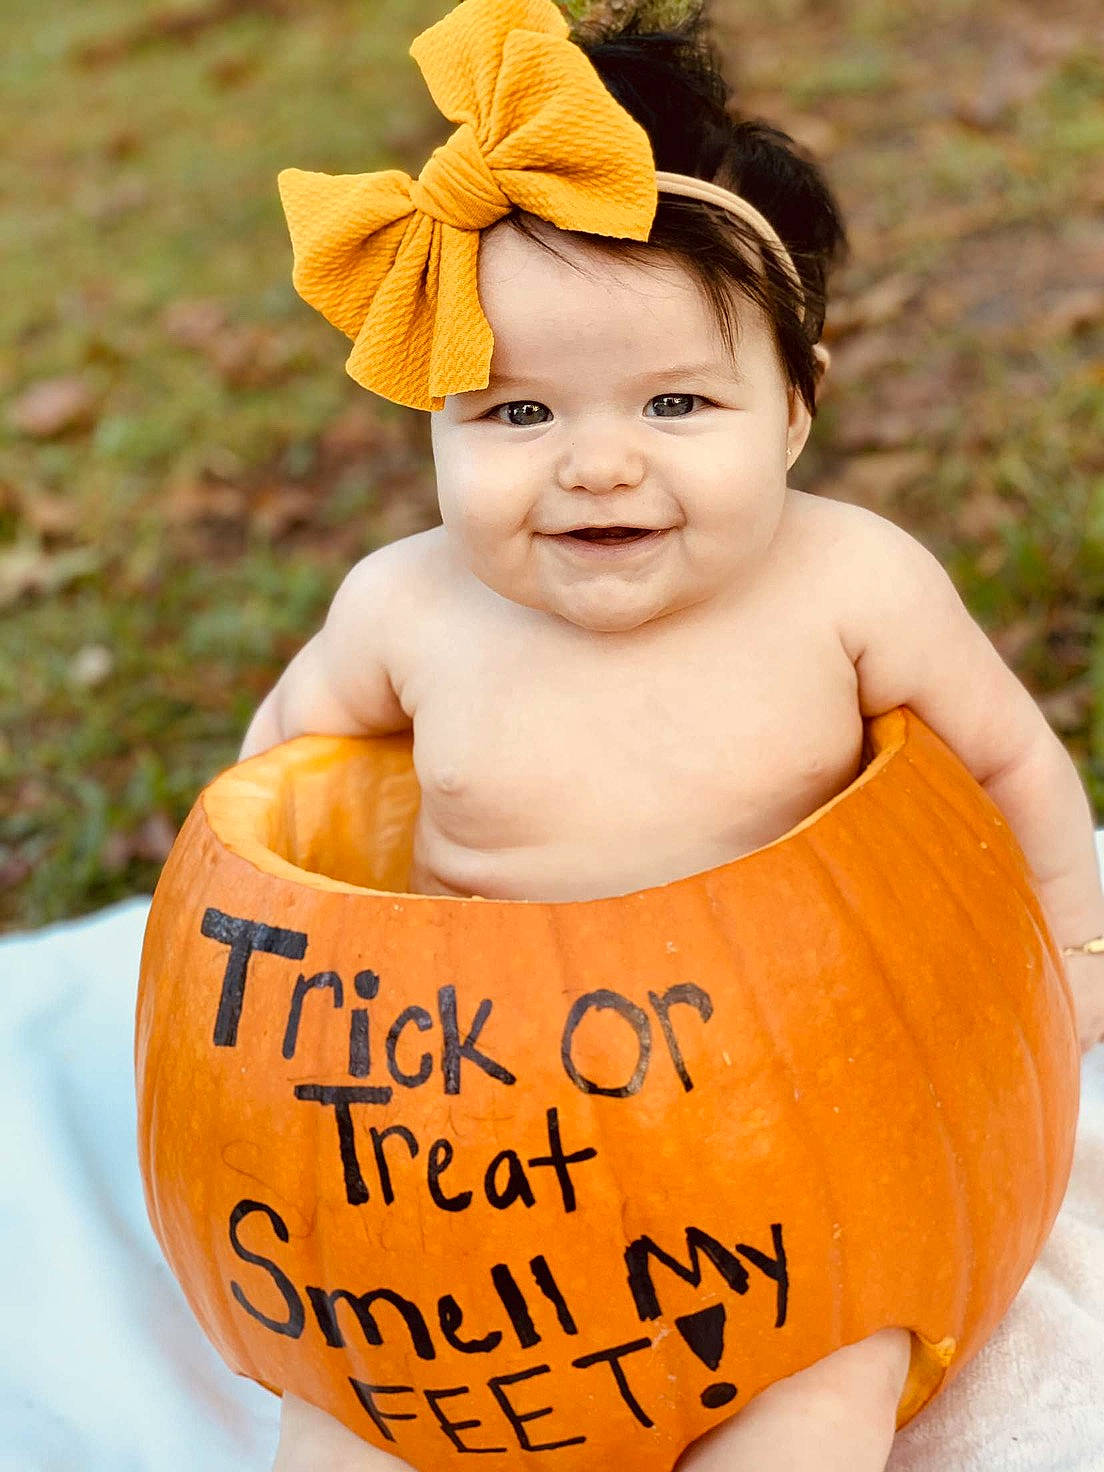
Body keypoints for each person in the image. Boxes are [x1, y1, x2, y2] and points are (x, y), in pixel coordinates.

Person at [241, 1, 1104, 1466]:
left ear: (792, 412)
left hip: (807, 1133)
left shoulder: (854, 587)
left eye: (675, 400)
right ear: (432, 422)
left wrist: (1072, 946)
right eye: (514, 413)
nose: (594, 460)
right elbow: (273, 830)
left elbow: (1016, 759)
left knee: (831, 1373)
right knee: (353, 1411)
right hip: (471, 1162)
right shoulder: (404, 612)